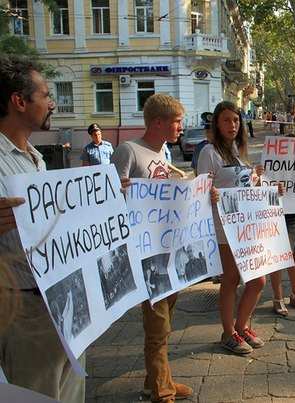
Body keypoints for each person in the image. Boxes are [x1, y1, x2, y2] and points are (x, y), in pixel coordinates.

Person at [0, 55, 85, 401]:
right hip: (24, 311)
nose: (52, 104)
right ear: (19, 101)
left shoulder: (35, 157)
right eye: (46, 95)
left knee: (71, 392)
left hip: (64, 305)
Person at [111, 94, 193, 402]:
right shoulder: (128, 151)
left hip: (168, 250)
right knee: (158, 324)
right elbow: (110, 197)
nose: (181, 127)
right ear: (158, 122)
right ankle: (162, 391)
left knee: (165, 320)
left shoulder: (163, 152)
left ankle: (157, 379)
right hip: (145, 255)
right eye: (177, 122)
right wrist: (118, 190)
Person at [197, 101, 266, 355]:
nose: (232, 125)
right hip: (224, 228)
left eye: (236, 120)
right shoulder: (209, 152)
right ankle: (228, 333)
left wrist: (261, 181)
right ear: (217, 123)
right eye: (226, 120)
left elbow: (245, 188)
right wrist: (209, 193)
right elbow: (200, 190)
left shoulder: (238, 151)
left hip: (246, 226)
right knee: (231, 279)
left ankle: (241, 326)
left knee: (258, 280)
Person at [269, 213, 295, 316]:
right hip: (274, 214)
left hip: (294, 212)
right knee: (277, 257)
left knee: (294, 254)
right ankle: (278, 299)